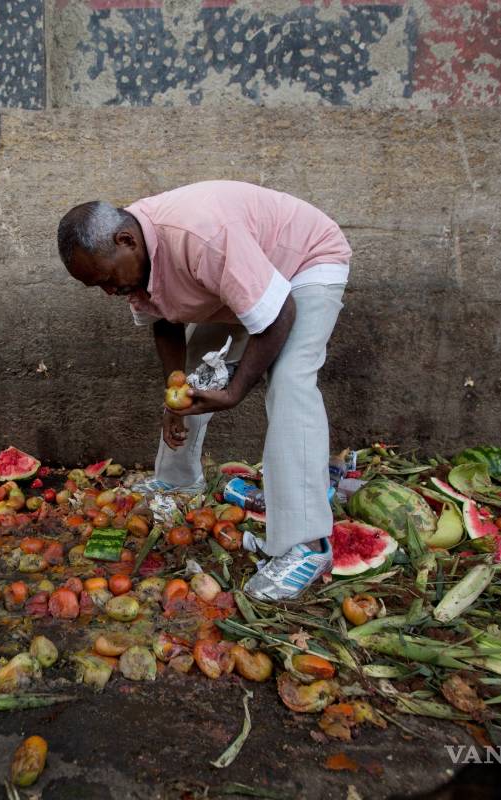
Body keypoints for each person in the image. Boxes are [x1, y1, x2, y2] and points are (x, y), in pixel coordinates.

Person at [56, 181, 350, 600]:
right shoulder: (132, 255)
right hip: (241, 279)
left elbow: (279, 313)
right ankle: (178, 483)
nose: (109, 291)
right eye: (97, 286)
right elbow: (165, 321)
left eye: (107, 279)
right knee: (194, 373)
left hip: (303, 262)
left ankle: (306, 544)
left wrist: (235, 392)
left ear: (126, 241)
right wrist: (174, 395)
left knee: (289, 379)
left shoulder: (202, 236)